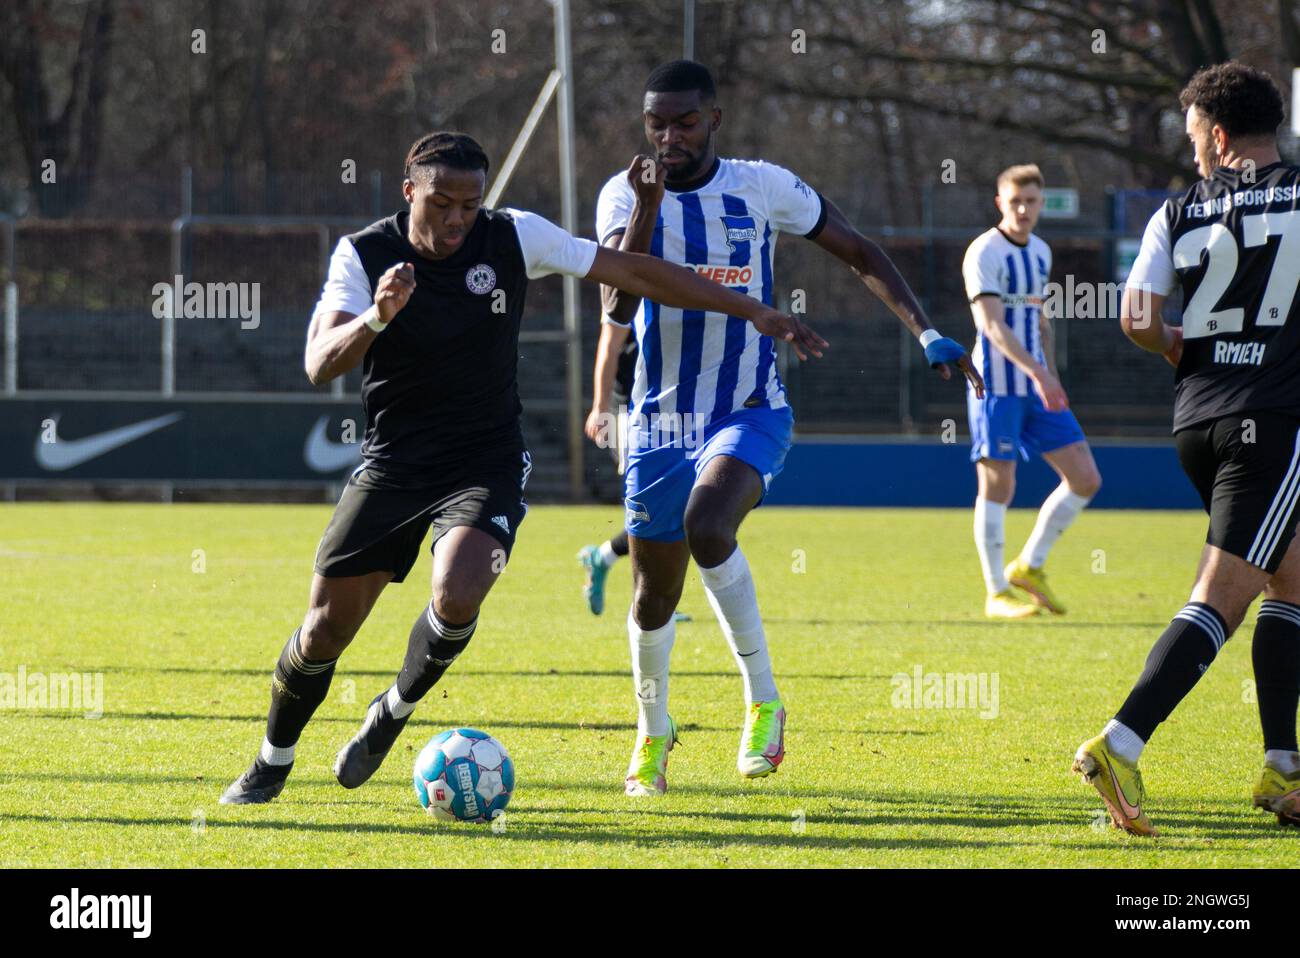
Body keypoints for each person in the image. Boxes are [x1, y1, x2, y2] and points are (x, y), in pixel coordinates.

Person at [219, 130, 824, 804]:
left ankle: (392, 710)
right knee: (325, 629)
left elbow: (636, 273)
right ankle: (272, 760)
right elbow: (319, 361)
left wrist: (756, 310)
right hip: (395, 463)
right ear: (408, 188)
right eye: (442, 202)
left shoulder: (514, 236)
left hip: (487, 459)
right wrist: (376, 318)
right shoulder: (363, 255)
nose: (456, 219)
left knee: (458, 591)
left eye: (469, 205)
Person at [597, 61, 983, 796]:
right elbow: (618, 303)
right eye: (656, 124)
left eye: (682, 122)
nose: (668, 137)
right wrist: (646, 205)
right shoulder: (624, 192)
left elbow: (860, 250)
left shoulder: (760, 185)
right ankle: (653, 733)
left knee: (710, 525)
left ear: (714, 119)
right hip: (659, 419)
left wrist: (927, 332)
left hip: (750, 406)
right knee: (653, 595)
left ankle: (764, 701)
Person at [1074, 62, 1300, 833]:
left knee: (1292, 578)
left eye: (1196, 134)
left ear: (1222, 133)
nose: (1193, 149)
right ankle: (1120, 741)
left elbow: (1137, 318)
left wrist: (1187, 348)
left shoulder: (1177, 211)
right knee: (1221, 596)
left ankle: (1282, 767)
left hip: (1196, 421)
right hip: (1273, 424)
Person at [962, 165, 1102, 619]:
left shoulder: (1040, 251)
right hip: (995, 385)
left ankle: (1029, 565)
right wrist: (1037, 373)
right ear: (1000, 202)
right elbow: (992, 326)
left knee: (1085, 478)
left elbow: (1040, 321)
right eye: (1015, 201)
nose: (1024, 209)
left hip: (1036, 383)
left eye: (1032, 201)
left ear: (1042, 204)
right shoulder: (984, 251)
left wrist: (1051, 375)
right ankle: (996, 591)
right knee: (999, 483)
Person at [577, 319, 690, 621]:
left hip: (670, 412)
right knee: (647, 511)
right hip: (630, 414)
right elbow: (609, 345)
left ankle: (603, 559)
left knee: (678, 510)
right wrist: (600, 406)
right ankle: (647, 601)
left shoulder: (672, 282)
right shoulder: (630, 286)